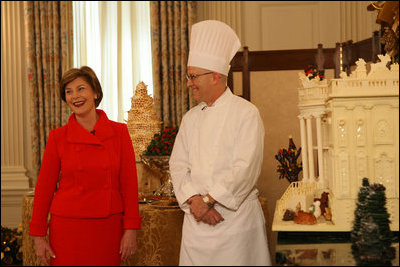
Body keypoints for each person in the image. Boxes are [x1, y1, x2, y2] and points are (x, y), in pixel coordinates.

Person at [169, 20, 271, 266]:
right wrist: (196, 202)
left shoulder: (246, 113)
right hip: (196, 226)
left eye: (193, 76)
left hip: (235, 226)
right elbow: (178, 165)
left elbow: (245, 168)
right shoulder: (190, 118)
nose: (188, 82)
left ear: (215, 76)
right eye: (188, 76)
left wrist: (208, 201)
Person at [29, 66, 142, 266]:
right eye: (68, 91)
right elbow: (44, 188)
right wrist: (38, 236)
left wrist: (131, 229)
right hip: (67, 228)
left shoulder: (120, 132)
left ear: (95, 92)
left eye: (81, 89)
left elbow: (129, 184)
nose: (75, 96)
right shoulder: (58, 137)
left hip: (107, 226)